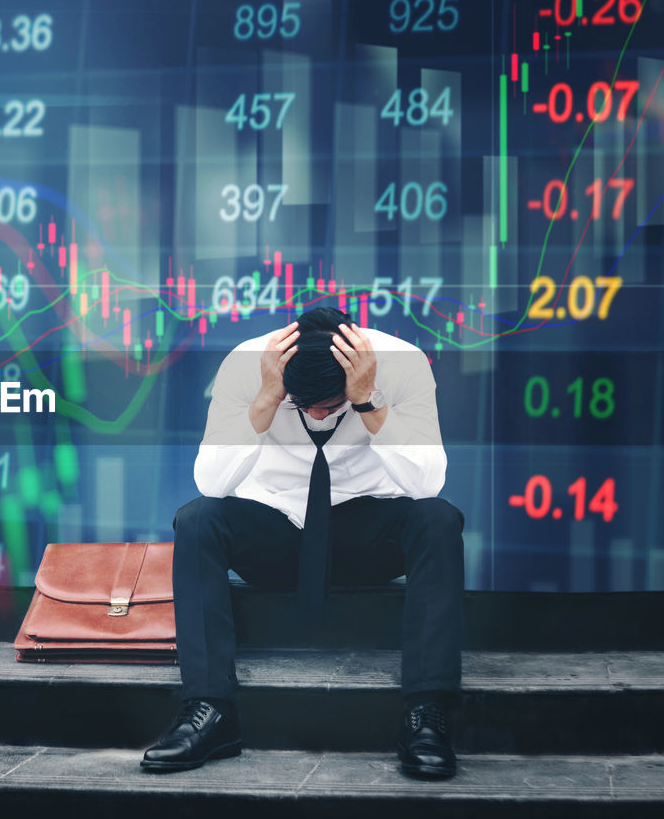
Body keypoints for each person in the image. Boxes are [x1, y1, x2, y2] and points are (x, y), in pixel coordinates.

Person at [140, 306, 465, 779]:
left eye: (331, 405)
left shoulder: (402, 362)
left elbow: (426, 484)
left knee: (438, 519)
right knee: (197, 519)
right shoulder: (246, 363)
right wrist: (268, 399)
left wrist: (367, 402)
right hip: (277, 529)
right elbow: (211, 481)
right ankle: (208, 709)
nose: (316, 415)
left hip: (365, 535)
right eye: (302, 405)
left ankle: (427, 716)